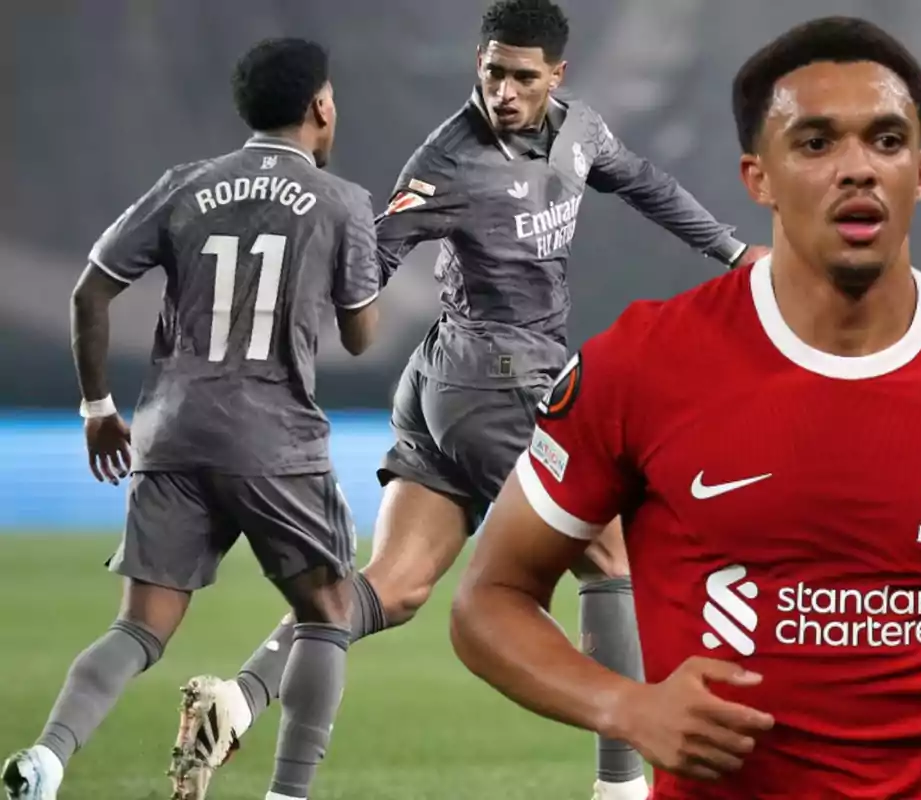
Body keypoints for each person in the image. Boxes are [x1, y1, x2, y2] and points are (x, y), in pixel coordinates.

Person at [447, 15, 921, 800]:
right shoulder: (642, 366)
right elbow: (489, 601)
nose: (858, 170)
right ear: (756, 177)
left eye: (887, 140)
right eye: (815, 142)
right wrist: (625, 705)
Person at [173, 2, 766, 799]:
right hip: (495, 380)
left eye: (523, 76)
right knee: (612, 556)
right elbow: (373, 259)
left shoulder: (580, 131)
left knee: (397, 584)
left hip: (447, 389)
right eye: (493, 72)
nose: (505, 91)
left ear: (558, 75)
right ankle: (622, 788)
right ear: (476, 66)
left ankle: (237, 699)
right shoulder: (447, 161)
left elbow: (645, 184)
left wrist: (729, 250)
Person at [1, 38, 381, 800]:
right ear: (321, 107)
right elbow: (362, 337)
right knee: (329, 611)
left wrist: (98, 407)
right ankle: (288, 794)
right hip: (274, 438)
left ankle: (45, 759)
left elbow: (90, 292)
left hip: (170, 429)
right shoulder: (343, 202)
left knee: (140, 628)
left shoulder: (188, 184)